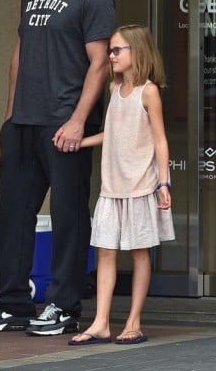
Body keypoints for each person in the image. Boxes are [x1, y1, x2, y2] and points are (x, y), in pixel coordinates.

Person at [0, 0, 116, 336]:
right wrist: (10, 111)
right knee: (13, 214)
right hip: (24, 122)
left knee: (69, 216)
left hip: (66, 125)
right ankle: (12, 302)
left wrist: (77, 121)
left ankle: (64, 306)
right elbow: (20, 48)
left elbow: (99, 65)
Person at [69, 24, 175, 346]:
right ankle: (101, 322)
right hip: (112, 187)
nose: (111, 55)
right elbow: (114, 133)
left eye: (117, 50)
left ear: (137, 52)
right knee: (105, 252)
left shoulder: (149, 91)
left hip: (141, 185)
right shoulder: (115, 89)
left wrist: (164, 183)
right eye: (110, 50)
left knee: (139, 253)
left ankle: (134, 320)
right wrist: (81, 141)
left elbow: (160, 140)